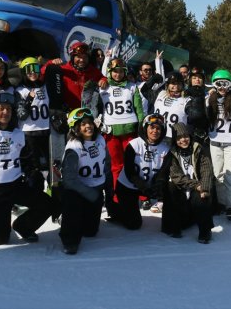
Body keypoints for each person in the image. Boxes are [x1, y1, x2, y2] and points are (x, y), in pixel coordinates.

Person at [0, 91, 53, 244]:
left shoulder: (19, 135)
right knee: (0, 239)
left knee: (47, 204)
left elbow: (26, 162)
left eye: (9, 109)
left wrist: (33, 175)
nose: (5, 112)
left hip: (16, 185)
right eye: (1, 108)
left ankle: (23, 227)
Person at [58, 108, 112, 255]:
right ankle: (69, 240)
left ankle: (79, 217)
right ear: (76, 128)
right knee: (72, 205)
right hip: (77, 191)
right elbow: (69, 180)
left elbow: (107, 166)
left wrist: (109, 192)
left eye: (90, 123)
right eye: (83, 124)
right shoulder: (74, 147)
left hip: (95, 188)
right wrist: (91, 194)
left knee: (90, 232)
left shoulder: (100, 140)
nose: (88, 126)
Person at [113, 113, 171, 229]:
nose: (155, 131)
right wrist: (143, 186)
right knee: (134, 224)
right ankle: (115, 209)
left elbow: (163, 173)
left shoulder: (166, 149)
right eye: (152, 127)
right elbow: (130, 172)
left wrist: (158, 186)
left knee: (171, 191)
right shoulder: (134, 145)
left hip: (150, 185)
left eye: (158, 128)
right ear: (145, 128)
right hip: (128, 186)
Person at [159, 123, 214, 243]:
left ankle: (205, 232)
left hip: (198, 186)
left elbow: (206, 170)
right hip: (183, 186)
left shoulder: (198, 148)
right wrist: (195, 185)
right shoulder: (172, 153)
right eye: (179, 138)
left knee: (202, 198)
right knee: (170, 188)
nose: (183, 140)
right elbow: (176, 176)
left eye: (185, 136)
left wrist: (203, 188)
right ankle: (173, 227)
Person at [98, 58, 145, 193]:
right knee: (116, 165)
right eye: (115, 72)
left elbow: (139, 109)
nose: (118, 75)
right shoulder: (103, 87)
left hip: (129, 130)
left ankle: (139, 192)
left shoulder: (132, 86)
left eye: (120, 72)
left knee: (134, 162)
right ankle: (117, 192)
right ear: (110, 72)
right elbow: (95, 106)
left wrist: (141, 126)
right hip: (111, 132)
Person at [206, 69, 231, 221]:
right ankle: (221, 203)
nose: (222, 87)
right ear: (214, 85)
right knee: (217, 175)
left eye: (225, 83)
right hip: (214, 142)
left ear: (230, 85)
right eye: (219, 84)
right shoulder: (209, 98)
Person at [41, 41, 108, 115]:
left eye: (85, 57)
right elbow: (41, 75)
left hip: (86, 114)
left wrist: (104, 80)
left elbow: (103, 77)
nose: (82, 60)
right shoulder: (63, 69)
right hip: (68, 113)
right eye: (78, 57)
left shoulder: (92, 71)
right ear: (72, 57)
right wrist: (50, 64)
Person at [15, 57, 50, 193]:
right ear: (23, 72)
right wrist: (29, 99)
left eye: (35, 69)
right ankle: (35, 195)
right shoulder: (20, 90)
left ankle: (52, 194)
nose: (32, 73)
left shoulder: (46, 86)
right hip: (29, 133)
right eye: (28, 70)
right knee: (34, 168)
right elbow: (21, 114)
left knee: (50, 166)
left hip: (46, 131)